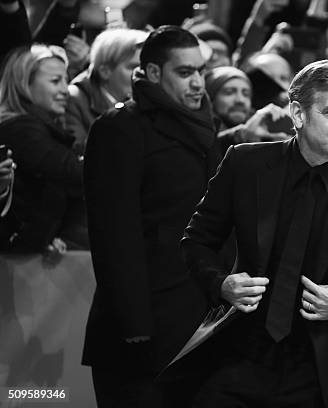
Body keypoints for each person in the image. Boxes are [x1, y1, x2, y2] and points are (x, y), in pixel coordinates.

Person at [181, 59, 328, 408]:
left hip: (319, 371)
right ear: (298, 114)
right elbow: (197, 241)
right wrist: (220, 284)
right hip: (236, 356)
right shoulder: (244, 163)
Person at [82, 26, 220, 407]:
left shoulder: (206, 125)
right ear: (154, 73)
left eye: (201, 71)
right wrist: (134, 326)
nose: (197, 83)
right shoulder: (120, 128)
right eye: (185, 72)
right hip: (142, 333)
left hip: (197, 322)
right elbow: (114, 233)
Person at [0, 44, 85, 252]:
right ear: (24, 85)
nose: (65, 90)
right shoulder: (21, 128)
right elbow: (70, 171)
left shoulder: (40, 126)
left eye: (66, 80)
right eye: (55, 81)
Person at [66, 28, 148, 151]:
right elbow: (81, 153)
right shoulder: (74, 99)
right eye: (133, 67)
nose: (142, 74)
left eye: (145, 67)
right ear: (105, 71)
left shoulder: (146, 98)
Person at [205, 65, 292, 151]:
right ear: (210, 98)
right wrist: (243, 134)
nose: (240, 100)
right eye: (229, 92)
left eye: (246, 94)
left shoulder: (262, 129)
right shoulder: (199, 134)